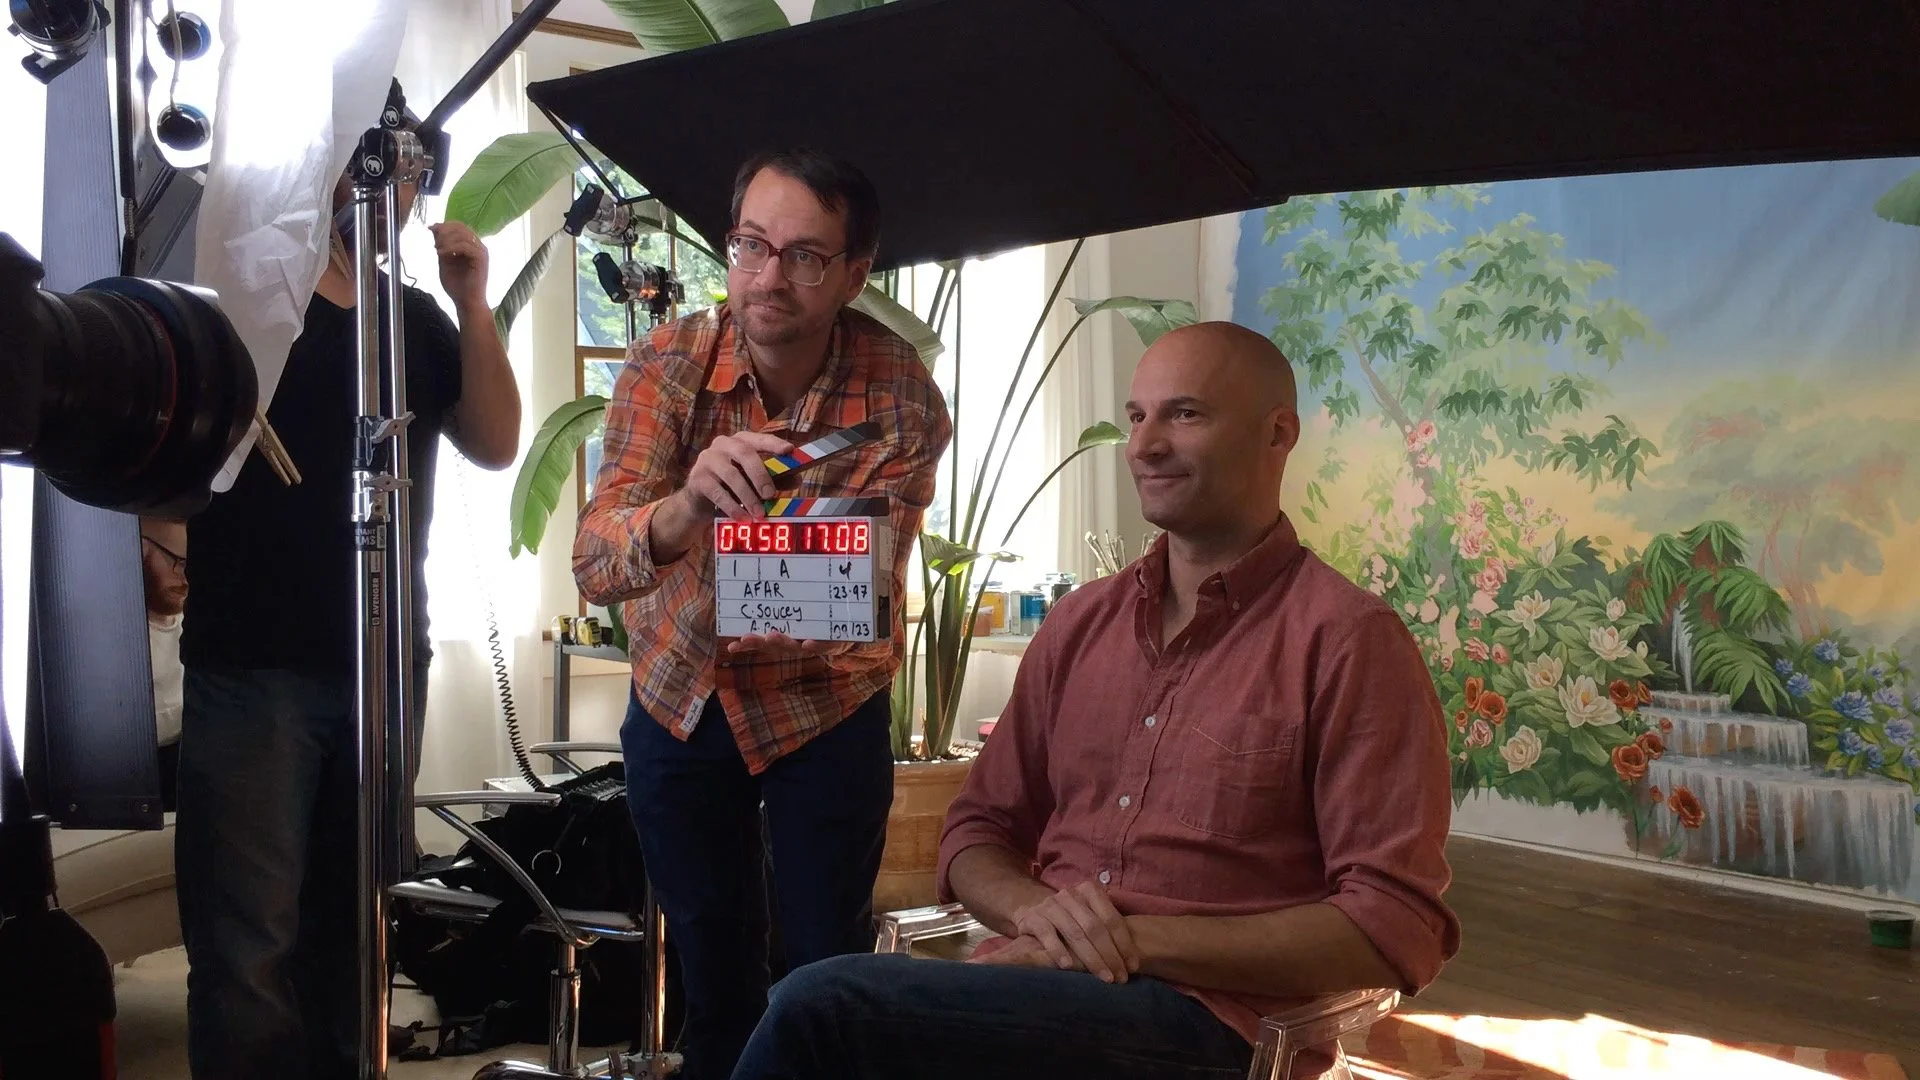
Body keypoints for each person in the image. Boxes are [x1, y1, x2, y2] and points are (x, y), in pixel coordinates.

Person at [730, 321, 1460, 1080]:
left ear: (1278, 433)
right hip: (1030, 989)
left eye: (1184, 414)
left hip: (1210, 1030)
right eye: (1137, 415)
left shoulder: (1349, 643)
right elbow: (977, 832)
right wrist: (1036, 913)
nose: (1142, 446)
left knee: (822, 1010)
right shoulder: (1081, 624)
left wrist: (1132, 938)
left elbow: (1391, 928)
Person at [574, 148, 951, 1080]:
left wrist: (794, 566)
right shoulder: (667, 361)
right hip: (680, 694)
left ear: (856, 274)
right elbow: (595, 558)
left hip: (822, 701)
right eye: (750, 245)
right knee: (714, 973)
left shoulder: (897, 387)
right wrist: (687, 506)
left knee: (826, 972)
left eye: (805, 256)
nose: (769, 277)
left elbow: (853, 588)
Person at [174, 96, 522, 1078]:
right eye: (376, 163)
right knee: (249, 943)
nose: (397, 188)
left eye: (411, 169)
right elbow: (170, 448)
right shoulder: (244, 303)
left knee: (357, 922)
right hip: (255, 660)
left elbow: (496, 443)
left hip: (380, 659)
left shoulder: (407, 316)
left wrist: (472, 301)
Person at [139, 517, 188, 812]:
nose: (184, 578)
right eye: (176, 562)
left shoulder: (199, 630)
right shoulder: (112, 636)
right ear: (143, 549)